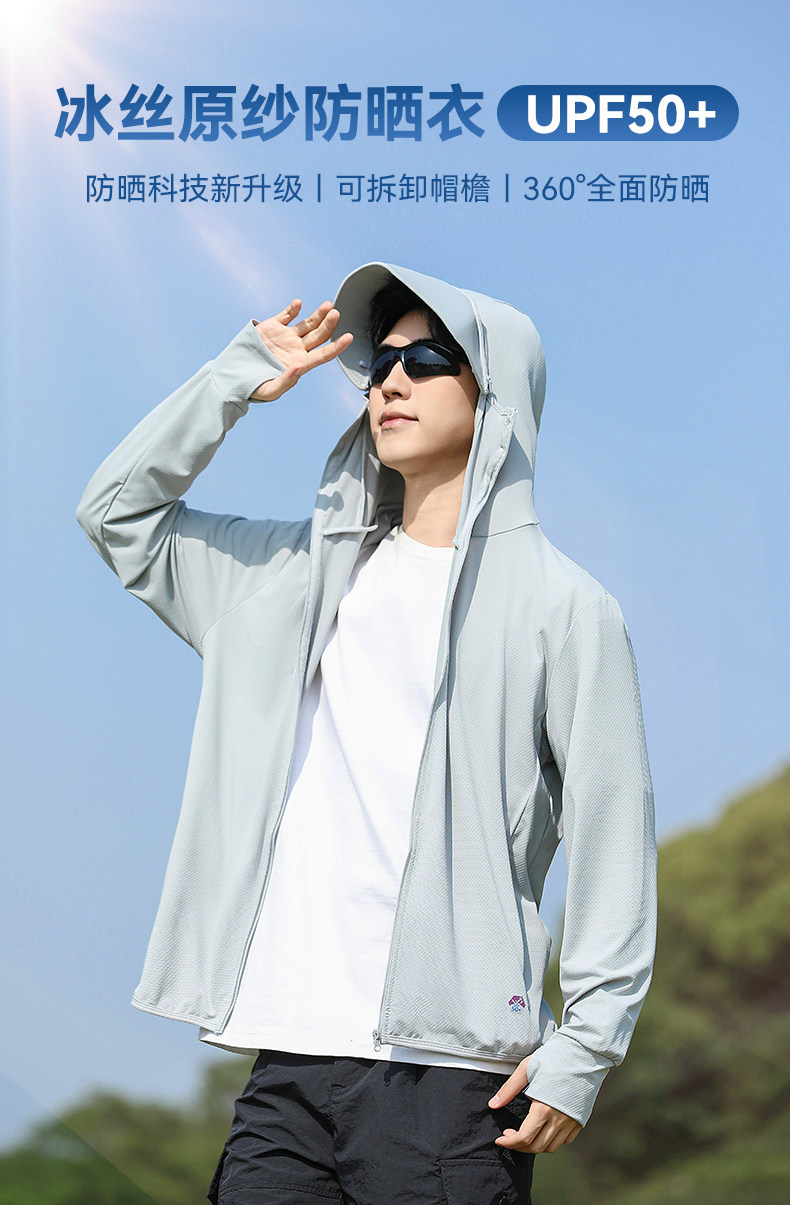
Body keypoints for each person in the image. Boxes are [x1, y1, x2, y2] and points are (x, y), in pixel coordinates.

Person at [76, 261, 658, 1204]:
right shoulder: (288, 577)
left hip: (454, 1082)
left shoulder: (565, 609)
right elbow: (116, 514)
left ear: (497, 392)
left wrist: (586, 1047)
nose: (391, 381)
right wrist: (236, 377)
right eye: (381, 363)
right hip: (286, 1067)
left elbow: (613, 831)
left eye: (426, 360)